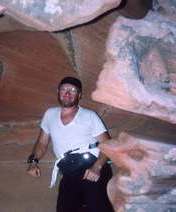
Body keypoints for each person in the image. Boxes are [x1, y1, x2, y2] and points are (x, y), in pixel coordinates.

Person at [27, 76, 114, 212]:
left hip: (91, 165)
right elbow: (42, 142)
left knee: (98, 207)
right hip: (69, 170)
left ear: (79, 95)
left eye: (73, 90)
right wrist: (33, 161)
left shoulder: (89, 115)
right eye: (64, 89)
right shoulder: (50, 114)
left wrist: (97, 167)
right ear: (58, 91)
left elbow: (107, 143)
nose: (67, 93)